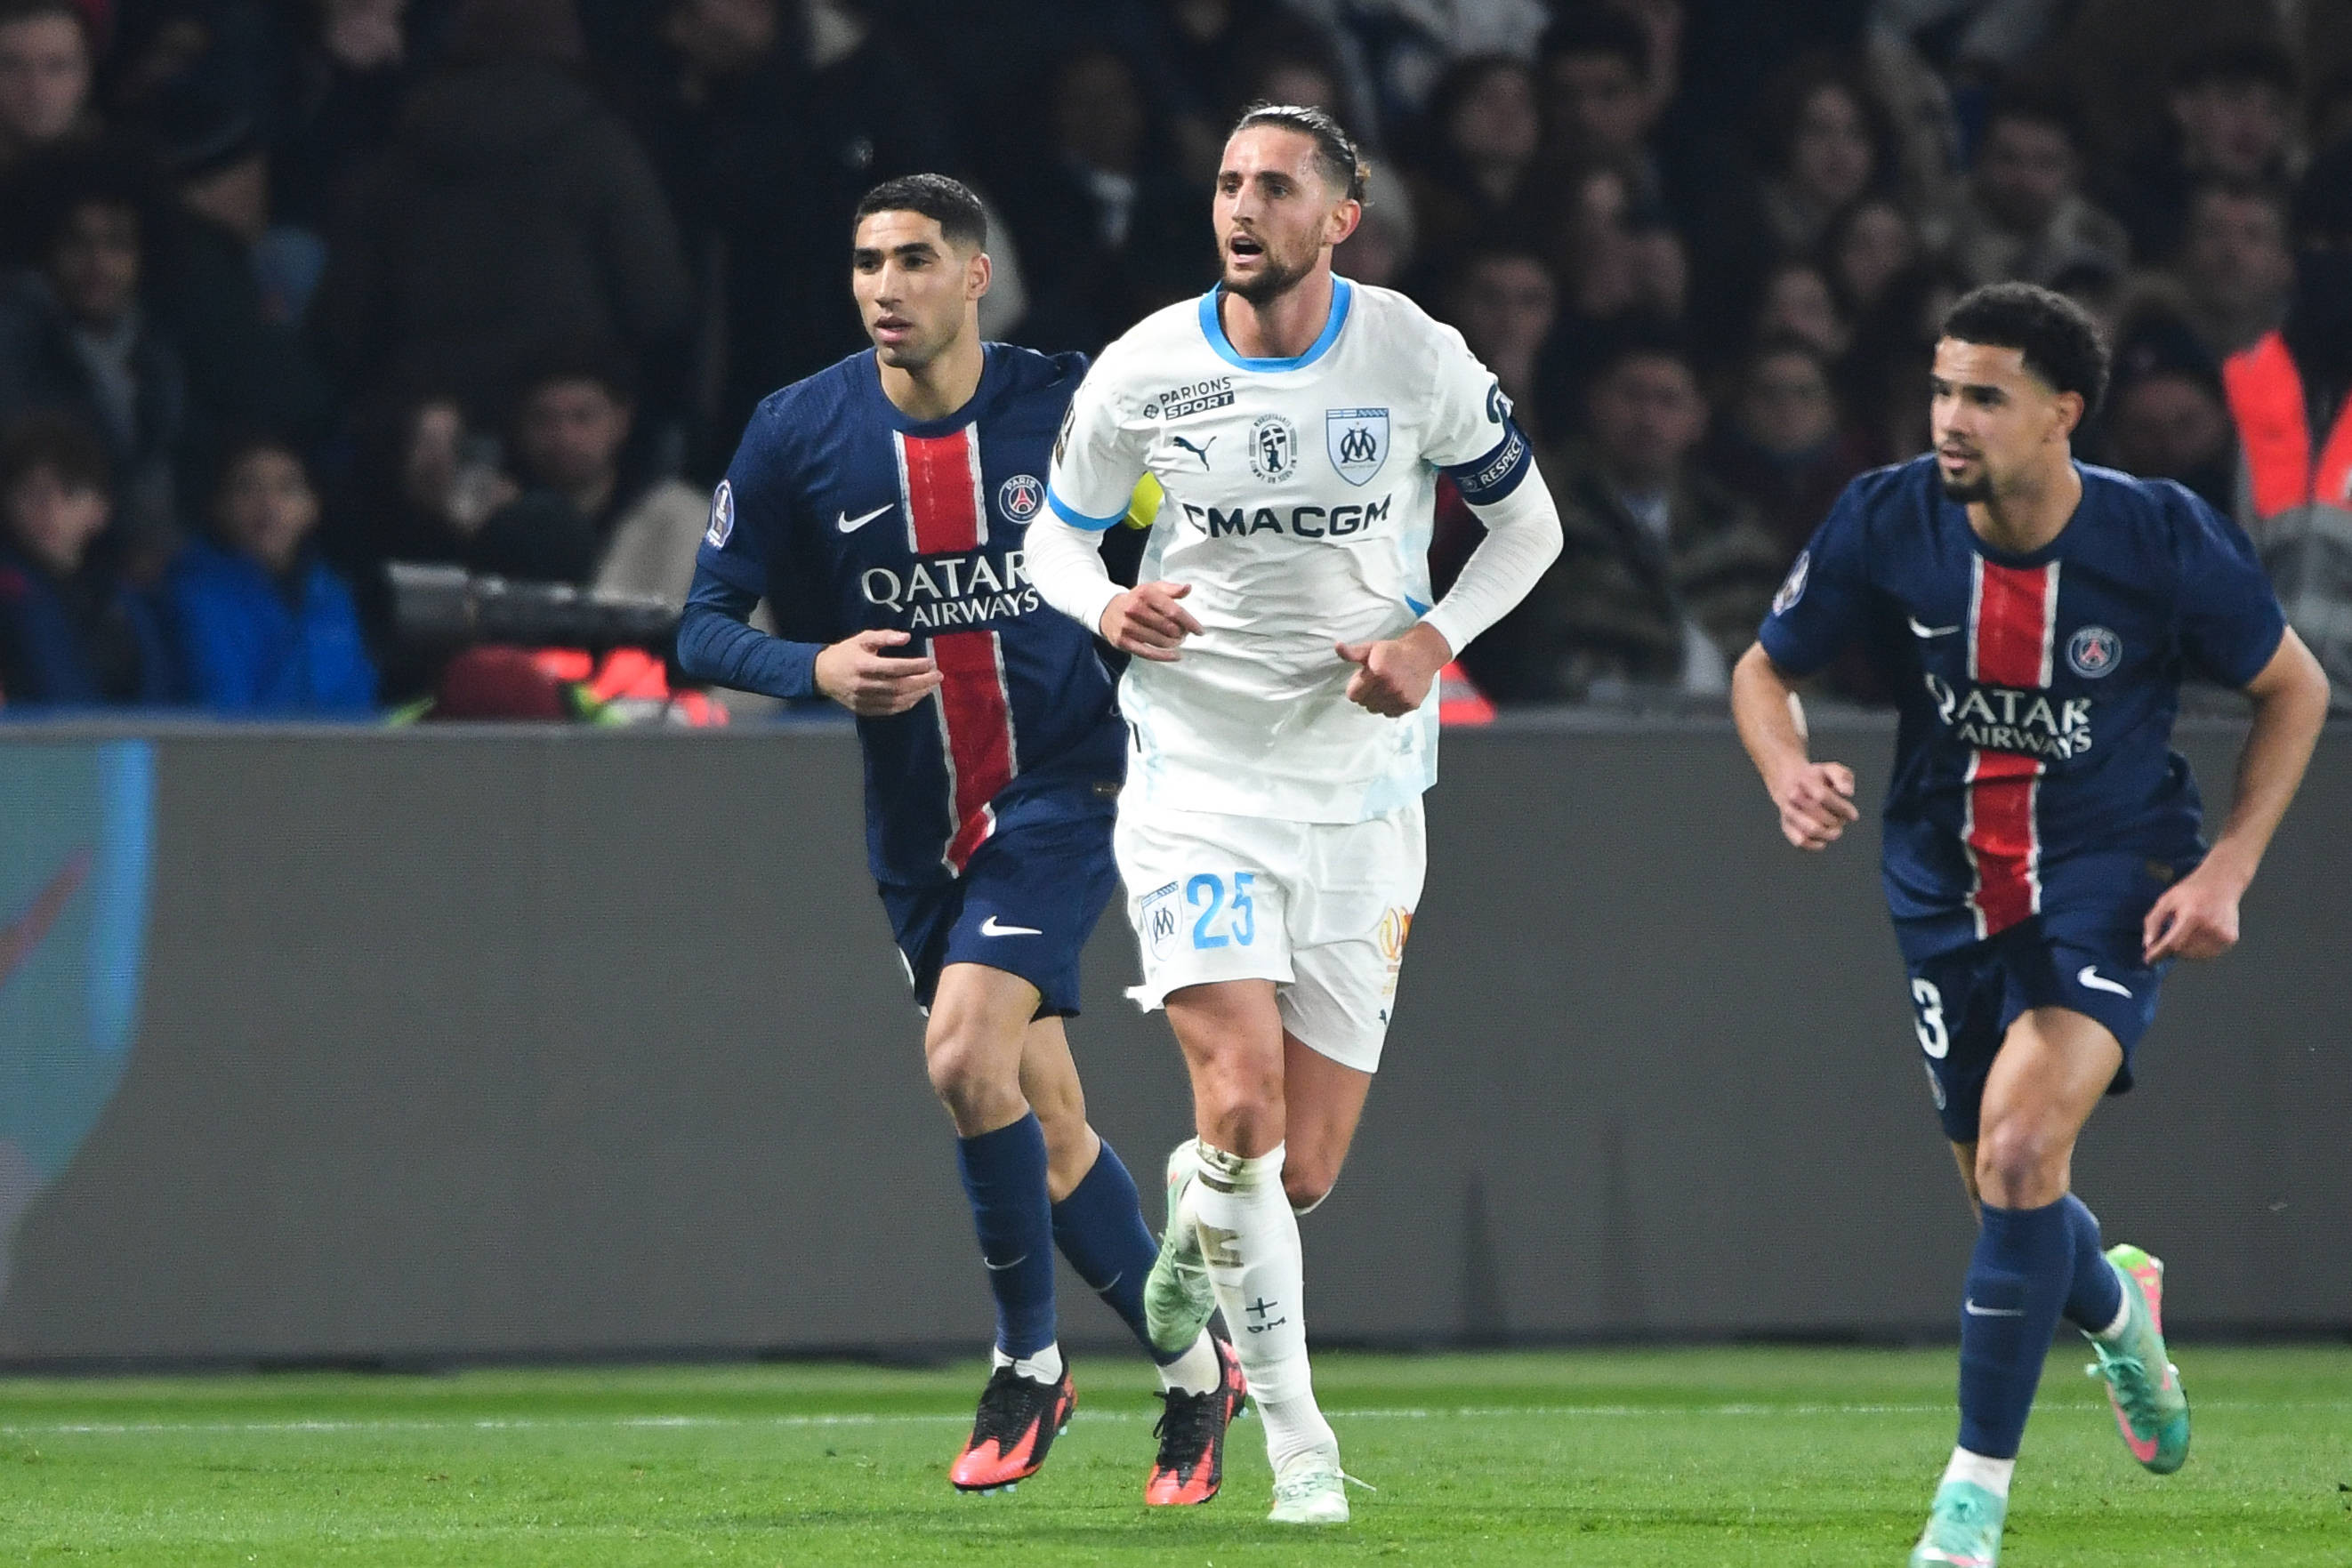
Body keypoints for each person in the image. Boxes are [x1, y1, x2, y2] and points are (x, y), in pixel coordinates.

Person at [1728, 281, 2330, 1568]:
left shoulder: (2159, 536)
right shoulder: (1887, 514)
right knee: (2004, 1189)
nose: (1950, 418)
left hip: (2108, 878)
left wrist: (2227, 867)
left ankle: (1970, 1502)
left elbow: (2294, 686)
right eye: (1942, 390)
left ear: (2062, 413)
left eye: (1985, 397)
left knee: (2015, 1151)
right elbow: (1764, 666)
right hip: (1942, 885)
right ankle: (2118, 1307)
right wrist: (1784, 767)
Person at [1027, 103, 1562, 1523]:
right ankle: (1300, 1445)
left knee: (1296, 1169)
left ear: (1340, 218)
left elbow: (1532, 526)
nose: (1241, 206)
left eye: (1274, 185)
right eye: (1226, 182)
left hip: (1362, 791)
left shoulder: (1414, 356)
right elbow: (1054, 537)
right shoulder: (1148, 365)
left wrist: (1431, 642)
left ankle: (1191, 1238)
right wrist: (1105, 604)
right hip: (1197, 777)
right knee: (1244, 1098)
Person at [673, 173, 1243, 1505]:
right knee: (1048, 1130)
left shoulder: (1075, 405)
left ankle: (1027, 1361)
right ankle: (1197, 1370)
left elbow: (1201, 524)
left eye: (915, 259)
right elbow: (700, 622)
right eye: (867, 261)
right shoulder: (799, 428)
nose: (885, 286)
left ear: (976, 275)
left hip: (1061, 788)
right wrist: (812, 667)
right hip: (919, 826)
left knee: (959, 1054)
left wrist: (1161, 606)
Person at [1467, 328, 1784, 704]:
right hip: (1581, 729)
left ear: (1698, 418)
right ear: (1594, 405)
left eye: (1668, 401)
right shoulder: (1543, 517)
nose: (1648, 418)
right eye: (1632, 396)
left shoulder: (1736, 534)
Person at [167, 436, 377, 713]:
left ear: (312, 507)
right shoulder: (197, 596)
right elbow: (223, 708)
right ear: (220, 506)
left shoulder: (333, 595)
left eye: (286, 488)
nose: (268, 504)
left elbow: (358, 701)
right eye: (247, 487)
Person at [0, 412, 178, 707]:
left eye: (69, 494)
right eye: (32, 493)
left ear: (100, 509)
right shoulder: (9, 595)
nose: (51, 509)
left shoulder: (126, 602)